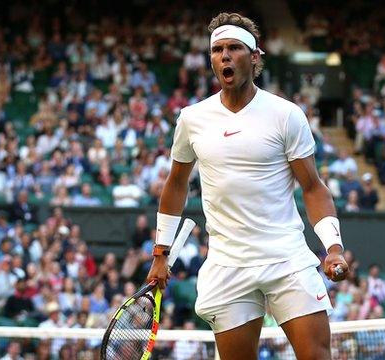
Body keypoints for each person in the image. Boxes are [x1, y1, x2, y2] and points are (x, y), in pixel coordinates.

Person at [147, 12, 349, 360]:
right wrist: (160, 252)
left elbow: (313, 188)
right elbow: (176, 185)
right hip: (227, 265)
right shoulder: (192, 119)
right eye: (217, 50)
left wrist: (332, 247)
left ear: (255, 57)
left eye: (234, 48)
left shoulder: (286, 115)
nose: (224, 56)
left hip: (286, 258)